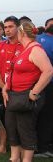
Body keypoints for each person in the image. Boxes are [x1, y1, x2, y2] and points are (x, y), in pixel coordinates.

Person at [2, 21, 53, 162]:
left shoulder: (36, 49)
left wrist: (34, 92)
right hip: (14, 95)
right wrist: (6, 87)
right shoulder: (25, 48)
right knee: (12, 128)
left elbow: (48, 71)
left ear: (22, 33)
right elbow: (15, 71)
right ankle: (14, 158)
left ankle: (26, 160)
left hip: (25, 96)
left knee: (25, 130)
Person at [0, 16, 23, 157]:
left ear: (18, 27)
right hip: (1, 88)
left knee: (20, 120)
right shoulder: (1, 45)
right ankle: (2, 146)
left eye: (11, 27)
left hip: (19, 90)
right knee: (2, 118)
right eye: (6, 27)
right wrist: (3, 86)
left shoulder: (25, 45)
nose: (7, 30)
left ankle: (20, 150)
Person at [35, 17, 53, 158]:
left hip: (36, 83)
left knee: (40, 115)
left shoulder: (36, 39)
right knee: (46, 116)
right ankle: (43, 147)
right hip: (48, 83)